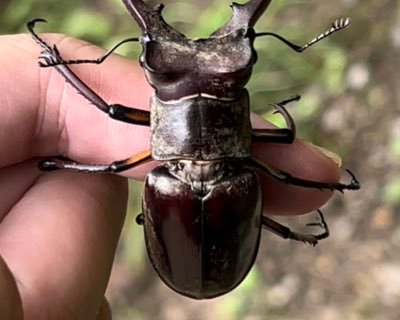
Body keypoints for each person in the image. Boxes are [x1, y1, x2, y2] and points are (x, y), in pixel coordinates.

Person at [0, 33, 342, 319]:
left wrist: (57, 67)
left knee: (114, 139)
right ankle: (302, 232)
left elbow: (109, 123)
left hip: (187, 247)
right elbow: (282, 146)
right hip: (205, 243)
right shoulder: (247, 175)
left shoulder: (169, 170)